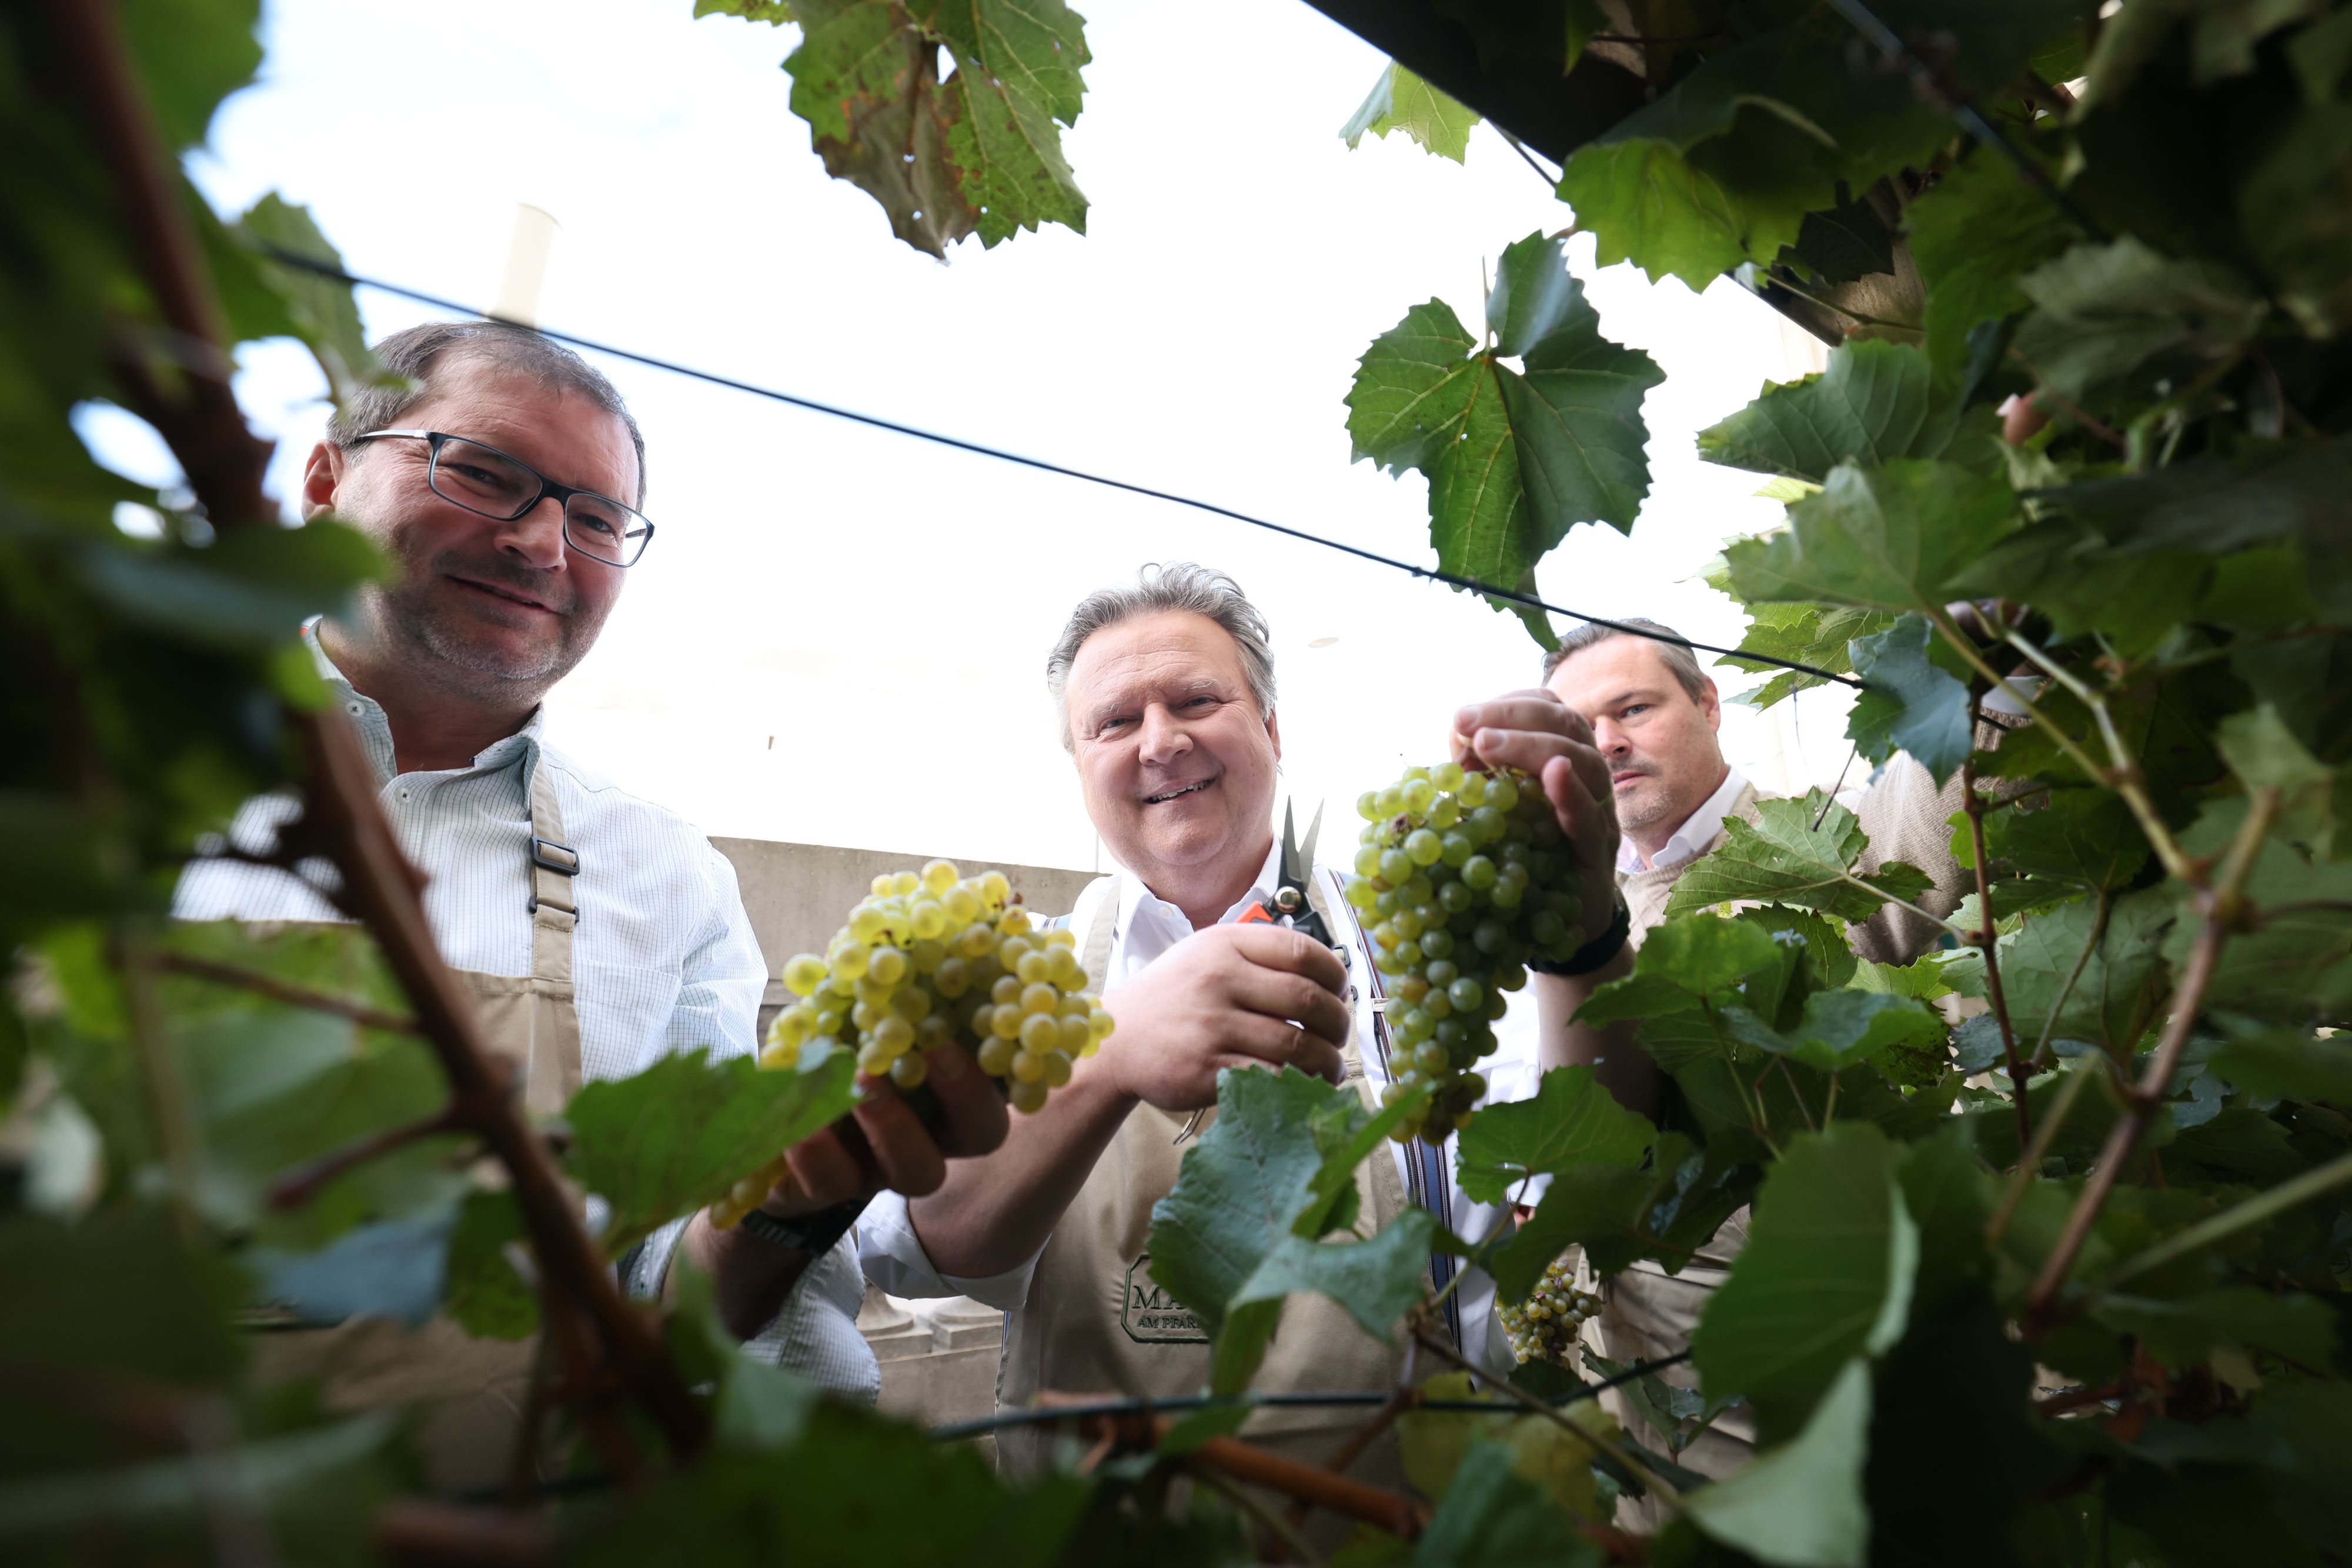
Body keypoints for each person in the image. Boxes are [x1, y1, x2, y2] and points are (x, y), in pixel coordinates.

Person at [175, 321, 1005, 1483]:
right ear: (324, 482)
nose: (539, 541)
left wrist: (781, 1211)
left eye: (598, 519)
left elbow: (678, 1312)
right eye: (482, 472)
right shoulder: (96, 779)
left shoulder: (667, 876)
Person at [857, 563, 1625, 1506]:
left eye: (1195, 700)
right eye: (1114, 722)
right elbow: (919, 1249)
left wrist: (1589, 944)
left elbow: (1595, 1167)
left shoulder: (1422, 952)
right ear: (1079, 765)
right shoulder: (1026, 986)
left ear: (1271, 729)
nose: (1160, 741)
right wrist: (1110, 1055)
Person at [1531, 614, 1980, 1517]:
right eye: (1581, 729)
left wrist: (1986, 684)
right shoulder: (1568, 916)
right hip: (1659, 1425)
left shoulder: (1822, 841)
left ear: (1708, 703)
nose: (1607, 742)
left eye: (1633, 709)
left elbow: (1931, 800)